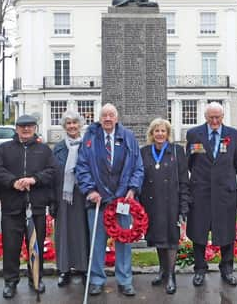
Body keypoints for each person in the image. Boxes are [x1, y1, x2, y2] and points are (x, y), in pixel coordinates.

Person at [76, 103, 144, 297]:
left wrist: (132, 189)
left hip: (122, 200)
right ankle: (97, 279)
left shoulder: (128, 137)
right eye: (104, 115)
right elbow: (82, 166)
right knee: (97, 243)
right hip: (97, 201)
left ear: (117, 118)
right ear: (99, 118)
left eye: (111, 115)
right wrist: (90, 190)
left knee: (123, 240)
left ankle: (125, 280)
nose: (107, 118)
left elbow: (138, 167)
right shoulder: (90, 137)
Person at [0, 114, 56, 299]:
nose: (26, 129)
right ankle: (10, 281)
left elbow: (52, 171)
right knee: (11, 247)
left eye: (29, 126)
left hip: (35, 207)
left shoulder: (44, 150)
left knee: (35, 245)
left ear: (35, 128)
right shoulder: (4, 149)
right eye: (22, 126)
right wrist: (13, 182)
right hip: (12, 206)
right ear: (16, 128)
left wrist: (34, 179)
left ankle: (36, 278)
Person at [186, 102, 237, 287]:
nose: (215, 121)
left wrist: (222, 179)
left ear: (223, 116)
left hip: (225, 192)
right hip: (200, 191)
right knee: (199, 231)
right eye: (212, 117)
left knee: (226, 231)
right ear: (206, 117)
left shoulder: (233, 135)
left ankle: (227, 269)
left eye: (218, 117)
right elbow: (190, 161)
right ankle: (200, 269)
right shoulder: (194, 134)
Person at [139, 118, 190, 294]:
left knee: (171, 239)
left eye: (163, 131)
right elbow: (140, 178)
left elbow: (184, 180)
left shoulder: (177, 151)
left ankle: (171, 275)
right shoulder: (144, 152)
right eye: (156, 131)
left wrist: (184, 206)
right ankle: (162, 270)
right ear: (152, 134)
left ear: (168, 134)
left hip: (172, 203)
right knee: (159, 238)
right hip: (152, 203)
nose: (160, 134)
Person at [51, 111, 90, 287]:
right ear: (64, 126)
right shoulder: (58, 148)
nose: (72, 126)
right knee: (64, 233)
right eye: (68, 123)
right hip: (63, 197)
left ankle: (83, 269)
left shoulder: (88, 146)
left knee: (83, 232)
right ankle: (64, 270)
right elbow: (52, 174)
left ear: (80, 125)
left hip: (83, 195)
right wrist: (52, 201)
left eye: (75, 123)